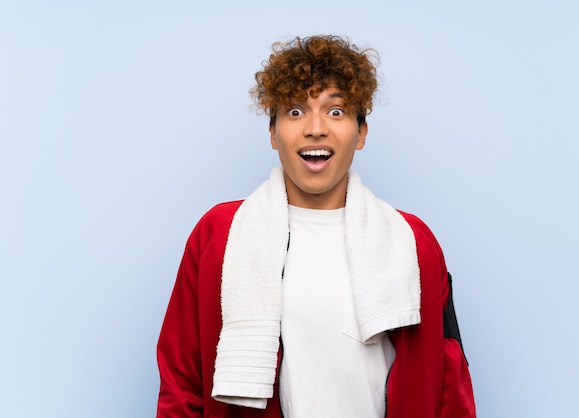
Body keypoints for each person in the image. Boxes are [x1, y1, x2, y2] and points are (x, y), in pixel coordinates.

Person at [156, 35, 476, 418]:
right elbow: (181, 380)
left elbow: (449, 380)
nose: (315, 128)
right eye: (295, 111)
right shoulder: (219, 236)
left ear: (361, 133)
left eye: (336, 111)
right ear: (273, 133)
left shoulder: (411, 242)